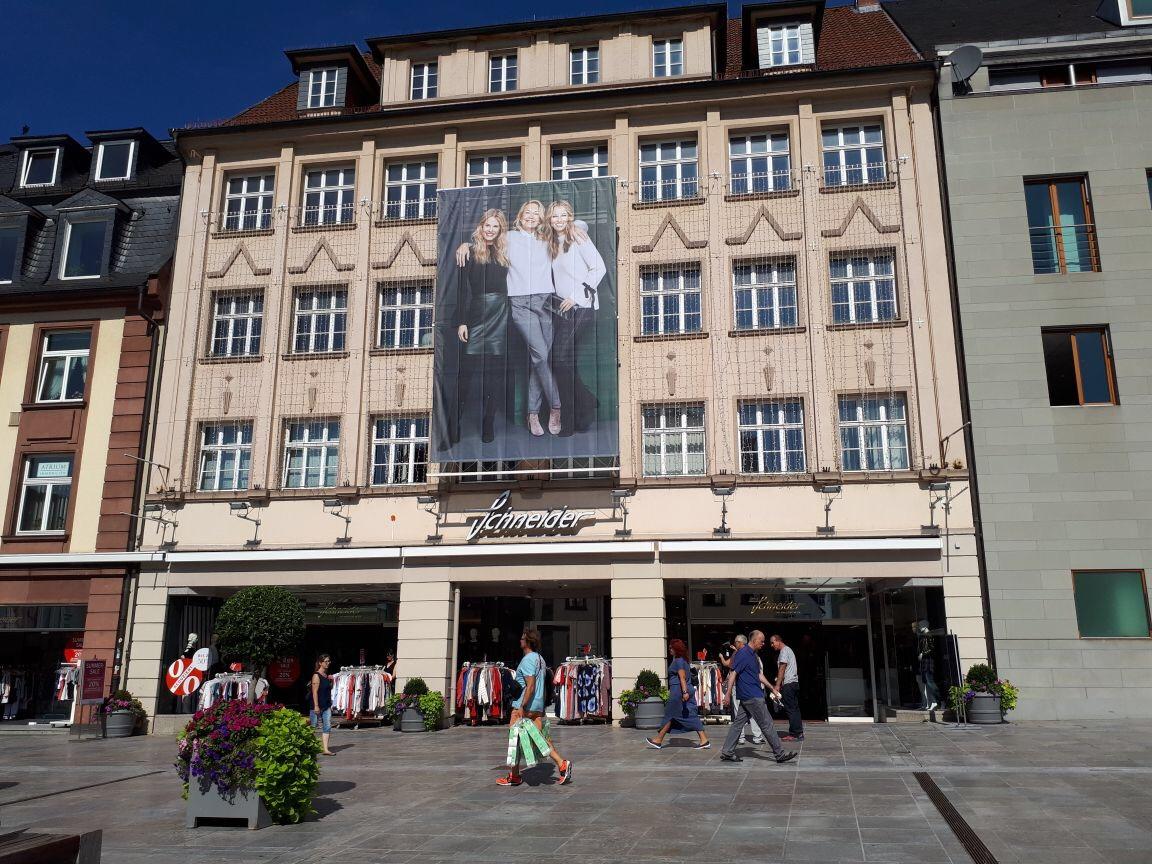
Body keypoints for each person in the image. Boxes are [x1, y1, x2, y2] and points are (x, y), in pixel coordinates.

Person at [545, 199, 606, 436]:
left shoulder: (578, 236)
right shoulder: (552, 242)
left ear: (569, 218)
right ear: (549, 220)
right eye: (554, 216)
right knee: (565, 363)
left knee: (557, 359)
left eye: (563, 216)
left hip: (581, 306)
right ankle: (584, 410)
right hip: (562, 308)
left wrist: (575, 295)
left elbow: (599, 268)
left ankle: (573, 416)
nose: (559, 220)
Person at [454, 209, 511, 444]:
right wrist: (461, 321)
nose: (490, 230)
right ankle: (454, 423)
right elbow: (461, 290)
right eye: (487, 225)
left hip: (500, 314)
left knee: (495, 375)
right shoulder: (467, 252)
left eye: (495, 227)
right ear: (481, 226)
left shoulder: (505, 252)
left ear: (500, 230)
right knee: (466, 374)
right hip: (476, 313)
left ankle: (488, 422)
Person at [498, 630, 573, 787]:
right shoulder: (541, 659)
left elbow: (530, 685)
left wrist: (522, 706)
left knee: (514, 739)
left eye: (522, 638)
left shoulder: (527, 660)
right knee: (540, 738)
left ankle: (515, 776)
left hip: (524, 704)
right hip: (537, 705)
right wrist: (542, 705)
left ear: (527, 641)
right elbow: (542, 685)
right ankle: (561, 764)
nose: (520, 640)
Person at [720, 631, 796, 765]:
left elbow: (758, 675)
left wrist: (771, 688)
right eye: (761, 641)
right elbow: (733, 673)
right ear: (754, 640)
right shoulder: (743, 654)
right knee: (767, 724)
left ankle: (727, 751)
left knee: (738, 724)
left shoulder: (753, 655)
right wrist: (727, 694)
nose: (763, 643)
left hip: (748, 696)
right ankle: (780, 754)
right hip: (752, 696)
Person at [645, 639, 710, 750]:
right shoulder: (684, 660)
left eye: (671, 648)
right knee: (686, 715)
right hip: (683, 691)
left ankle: (658, 740)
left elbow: (682, 677)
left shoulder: (678, 661)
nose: (669, 649)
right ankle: (704, 740)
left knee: (671, 714)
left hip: (679, 692)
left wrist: (684, 692)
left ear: (676, 649)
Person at [725, 635, 765, 746]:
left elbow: (732, 672)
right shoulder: (753, 655)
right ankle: (755, 737)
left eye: (735, 642)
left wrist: (728, 692)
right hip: (751, 689)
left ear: (739, 643)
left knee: (740, 714)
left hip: (742, 689)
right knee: (752, 714)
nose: (734, 644)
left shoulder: (739, 654)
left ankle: (742, 737)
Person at [769, 634, 803, 741]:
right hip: (794, 683)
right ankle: (798, 732)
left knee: (790, 709)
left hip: (789, 684)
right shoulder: (788, 650)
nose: (771, 645)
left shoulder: (784, 651)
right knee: (794, 708)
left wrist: (777, 685)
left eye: (772, 642)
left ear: (778, 641)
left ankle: (794, 734)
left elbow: (782, 668)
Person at [309, 654, 334, 756]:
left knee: (327, 727)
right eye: (326, 661)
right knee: (313, 727)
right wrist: (316, 705)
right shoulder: (316, 676)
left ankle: (325, 749)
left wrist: (331, 680)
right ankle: (310, 747)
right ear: (320, 663)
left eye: (329, 661)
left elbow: (328, 690)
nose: (328, 663)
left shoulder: (326, 676)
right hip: (317, 705)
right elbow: (314, 692)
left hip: (326, 705)